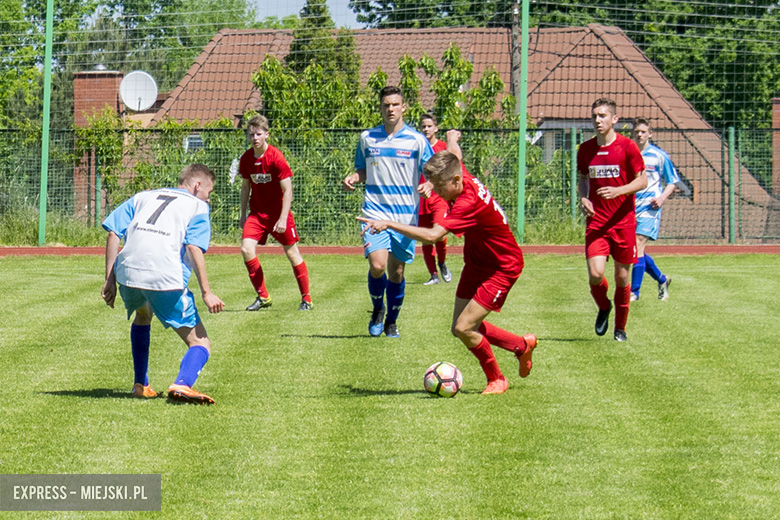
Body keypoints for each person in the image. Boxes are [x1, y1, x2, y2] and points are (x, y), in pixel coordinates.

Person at [359, 151, 537, 395]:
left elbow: (433, 235)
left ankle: (497, 379)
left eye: (440, 187)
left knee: (465, 328)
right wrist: (437, 170)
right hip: (476, 263)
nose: (437, 192)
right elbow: (453, 155)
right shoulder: (459, 174)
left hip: (502, 267)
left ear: (455, 180)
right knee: (459, 328)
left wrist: (388, 223)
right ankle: (520, 345)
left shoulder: (467, 201)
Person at [101, 163, 225, 405]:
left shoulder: (143, 196)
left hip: (127, 274)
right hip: (165, 276)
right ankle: (183, 384)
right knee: (200, 342)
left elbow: (114, 232)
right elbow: (193, 246)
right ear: (197, 185)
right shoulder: (197, 206)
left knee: (143, 314)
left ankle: (141, 385)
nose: (208, 199)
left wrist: (110, 279)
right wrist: (207, 292)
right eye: (209, 193)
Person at [343, 86, 433, 338]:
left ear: (404, 107)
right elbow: (362, 169)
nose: (391, 109)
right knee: (378, 264)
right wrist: (354, 177)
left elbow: (434, 171)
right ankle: (377, 309)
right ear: (380, 108)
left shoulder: (417, 140)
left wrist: (429, 184)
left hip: (404, 218)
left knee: (397, 272)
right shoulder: (367, 138)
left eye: (395, 104)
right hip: (373, 211)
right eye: (386, 105)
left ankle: (392, 322)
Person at [577, 98, 647, 342]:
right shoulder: (585, 150)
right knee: (596, 274)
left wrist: (619, 191)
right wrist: (584, 197)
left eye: (603, 115)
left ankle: (620, 328)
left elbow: (642, 181)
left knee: (622, 277)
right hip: (597, 223)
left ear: (614, 119)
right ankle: (604, 307)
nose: (598, 120)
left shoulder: (628, 147)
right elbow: (583, 178)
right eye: (595, 115)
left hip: (623, 222)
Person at [239, 115, 313, 312]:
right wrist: (243, 213)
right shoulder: (246, 159)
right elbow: (245, 187)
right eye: (251, 134)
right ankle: (263, 297)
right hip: (257, 214)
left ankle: (306, 299)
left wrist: (282, 218)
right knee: (246, 249)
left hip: (278, 213)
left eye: (258, 134)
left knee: (292, 252)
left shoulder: (276, 157)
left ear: (266, 135)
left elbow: (288, 190)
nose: (255, 138)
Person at [630, 117, 681, 301]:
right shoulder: (628, 154)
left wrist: (661, 198)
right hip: (629, 208)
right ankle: (662, 279)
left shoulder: (659, 156)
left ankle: (634, 292)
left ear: (650, 134)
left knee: (637, 245)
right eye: (637, 132)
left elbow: (673, 182)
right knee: (634, 250)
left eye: (643, 132)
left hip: (650, 208)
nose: (640, 135)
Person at [418, 113, 452, 285]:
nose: (426, 129)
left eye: (429, 126)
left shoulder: (443, 147)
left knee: (439, 234)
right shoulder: (416, 146)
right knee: (425, 237)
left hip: (438, 198)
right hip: (421, 199)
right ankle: (433, 275)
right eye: (423, 126)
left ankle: (442, 263)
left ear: (436, 128)